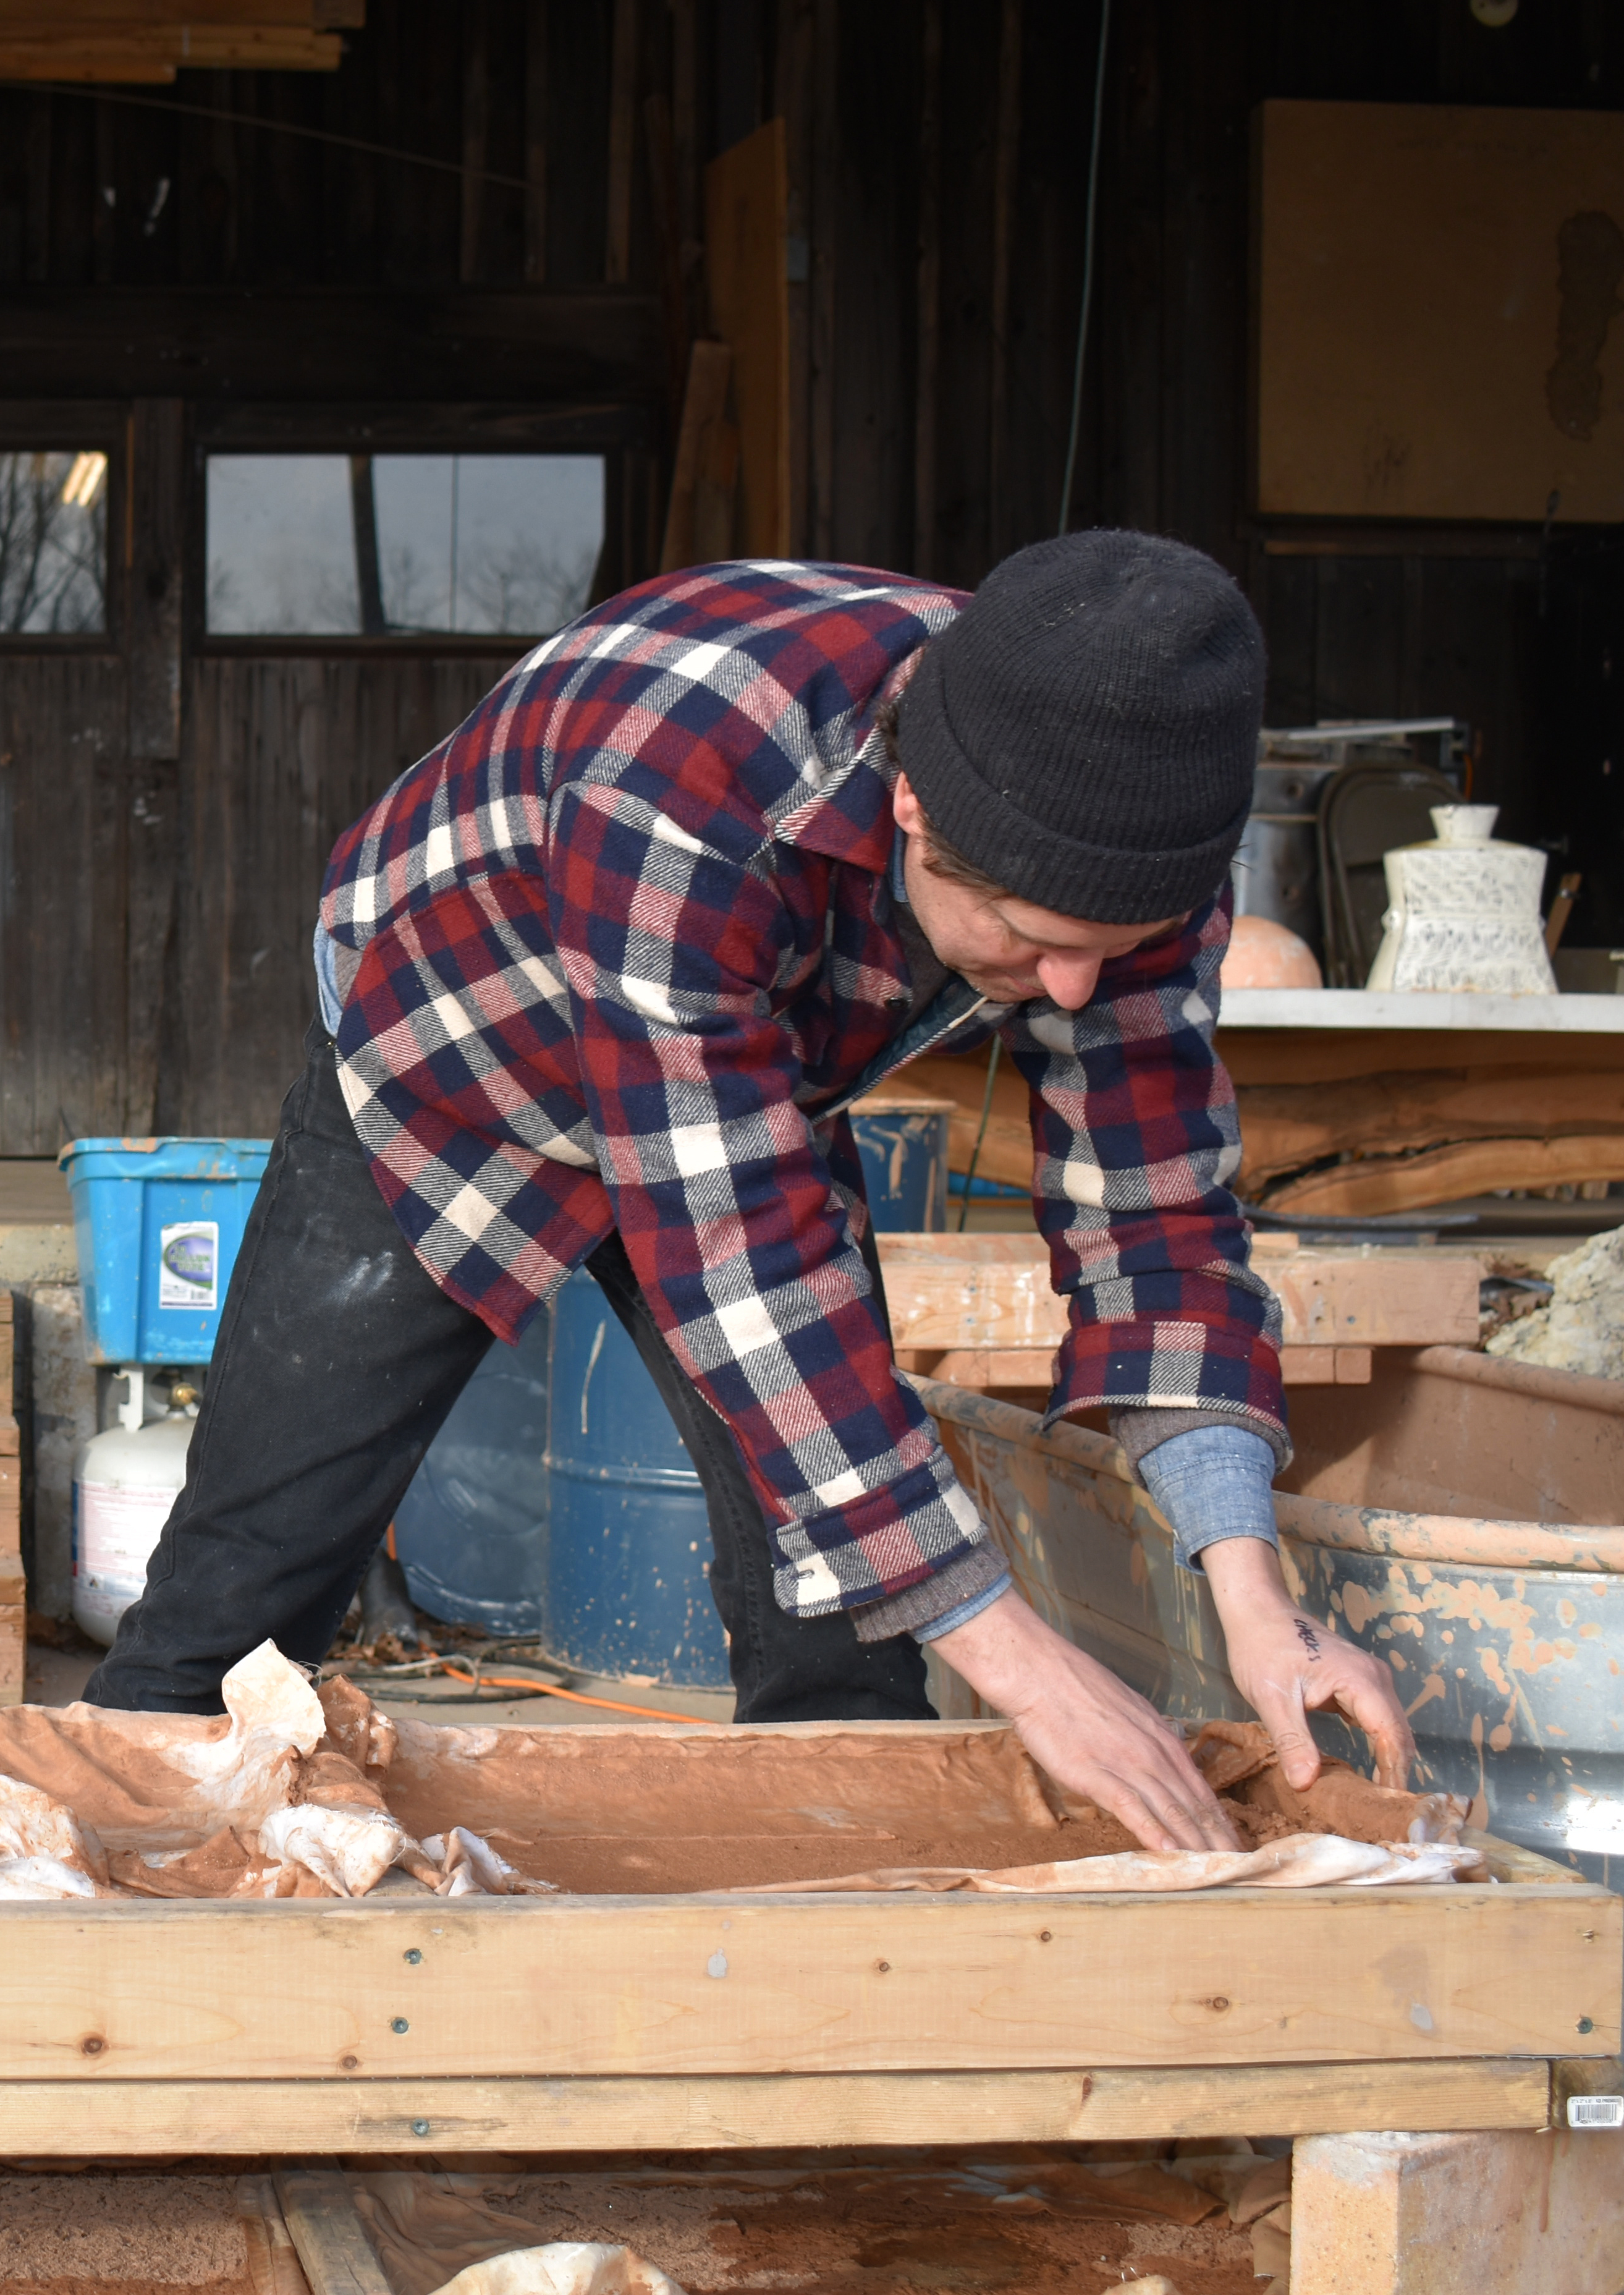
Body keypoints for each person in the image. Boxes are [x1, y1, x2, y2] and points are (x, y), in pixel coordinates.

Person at [82, 533, 1415, 1851]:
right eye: (1033, 941)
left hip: (737, 1070)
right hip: (459, 1033)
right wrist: (1027, 1663)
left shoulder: (1135, 827)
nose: (1070, 990)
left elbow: (1158, 1217)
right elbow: (741, 1269)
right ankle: (91, 1954)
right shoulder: (678, 793)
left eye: (1105, 952)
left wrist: (1253, 1600)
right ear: (913, 813)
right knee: (245, 1587)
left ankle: (849, 1977)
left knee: (843, 1625)